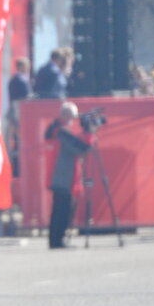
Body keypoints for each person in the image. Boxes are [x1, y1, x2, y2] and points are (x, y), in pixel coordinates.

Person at [44, 102, 92, 249]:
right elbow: (81, 148)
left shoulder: (56, 129)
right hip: (62, 176)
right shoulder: (60, 131)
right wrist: (88, 132)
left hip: (61, 175)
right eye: (73, 116)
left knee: (60, 209)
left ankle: (56, 240)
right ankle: (57, 240)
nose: (74, 119)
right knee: (62, 210)